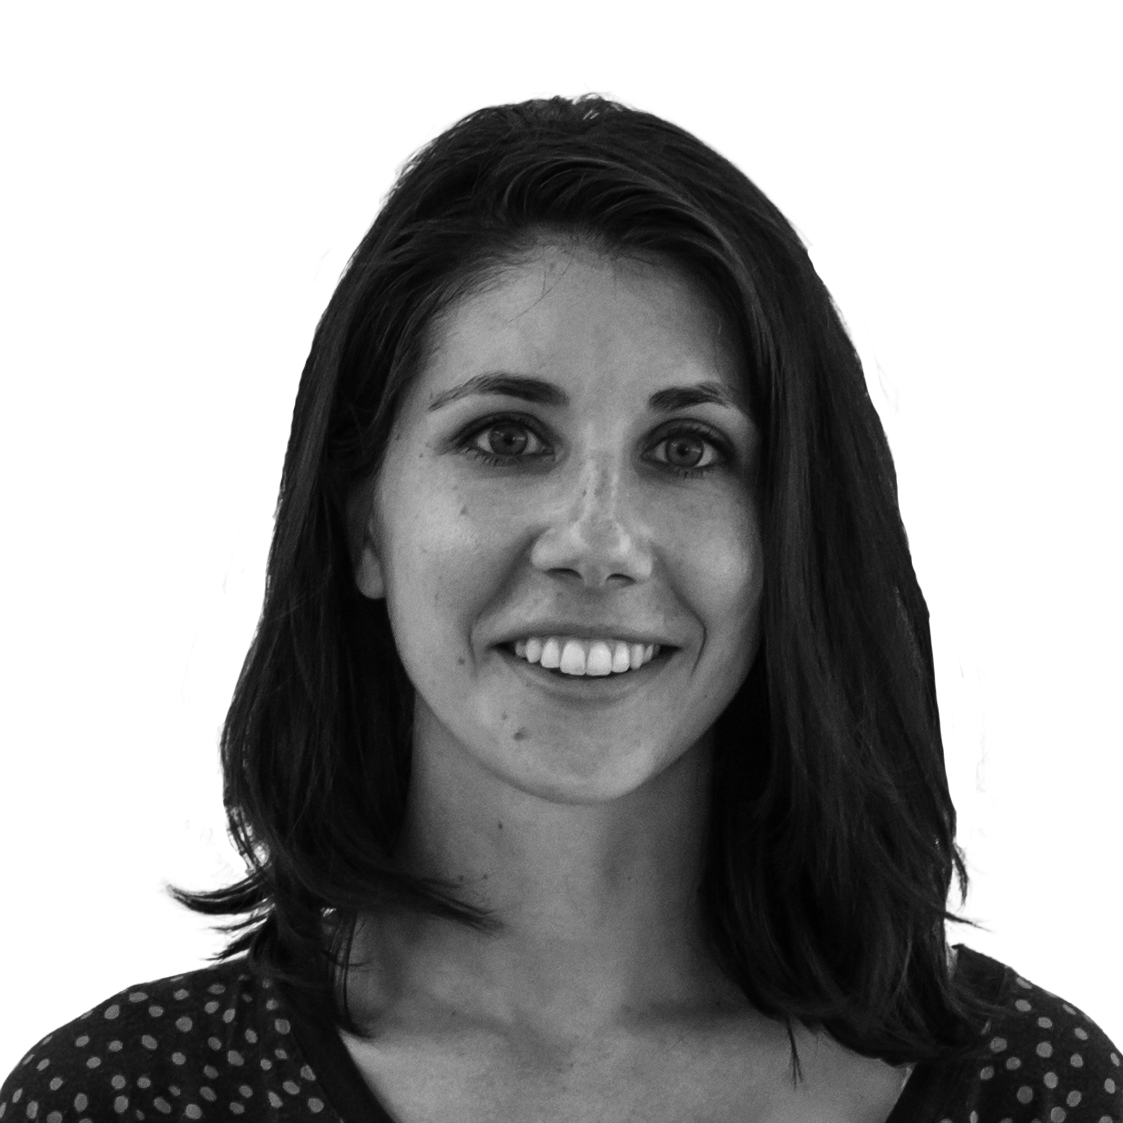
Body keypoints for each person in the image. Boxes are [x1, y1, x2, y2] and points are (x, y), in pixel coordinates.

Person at [3, 95, 1118, 1123]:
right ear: (362, 523)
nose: (596, 538)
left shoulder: (1031, 1090)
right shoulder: (127, 1096)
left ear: (788, 536)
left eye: (687, 449)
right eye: (505, 437)